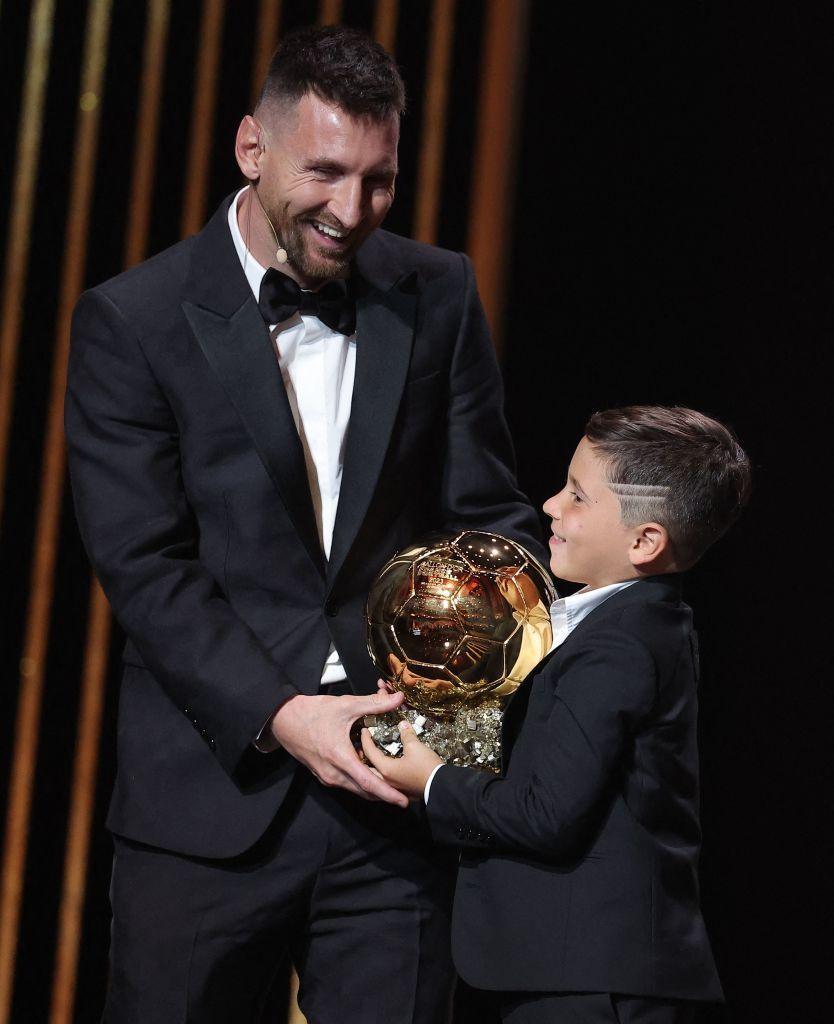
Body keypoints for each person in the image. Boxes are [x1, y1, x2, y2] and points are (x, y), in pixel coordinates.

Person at [64, 25, 544, 1024]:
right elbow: (146, 566)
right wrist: (286, 715)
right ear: (252, 148)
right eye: (324, 172)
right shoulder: (133, 319)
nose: (350, 210)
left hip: (394, 811)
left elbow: (494, 522)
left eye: (379, 180)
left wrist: (449, 720)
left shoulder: (439, 291)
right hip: (208, 807)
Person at [362, 405, 752, 1024]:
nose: (549, 505)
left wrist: (431, 779)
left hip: (594, 984)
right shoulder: (622, 627)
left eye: (576, 496)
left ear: (645, 541)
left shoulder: (620, 646)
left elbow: (545, 814)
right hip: (578, 974)